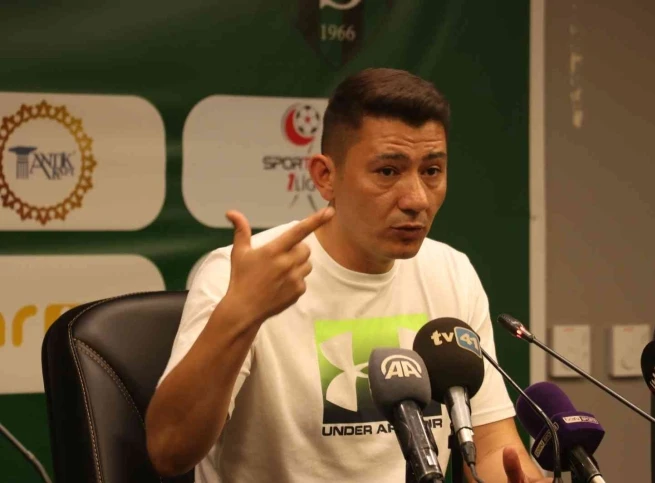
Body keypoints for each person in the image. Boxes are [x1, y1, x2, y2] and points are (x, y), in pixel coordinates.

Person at [146, 67, 548, 483]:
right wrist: (241, 315)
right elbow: (170, 451)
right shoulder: (243, 275)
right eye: (388, 171)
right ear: (326, 176)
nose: (416, 199)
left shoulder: (451, 273)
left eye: (431, 171)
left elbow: (490, 445)